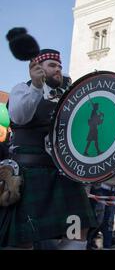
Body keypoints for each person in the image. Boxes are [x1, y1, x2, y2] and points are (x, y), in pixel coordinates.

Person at [0, 49, 96, 249]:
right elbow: (19, 117)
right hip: (31, 172)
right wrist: (36, 87)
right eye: (52, 66)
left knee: (78, 227)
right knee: (23, 236)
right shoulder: (22, 89)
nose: (58, 70)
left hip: (64, 173)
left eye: (60, 66)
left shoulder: (68, 98)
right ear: (37, 68)